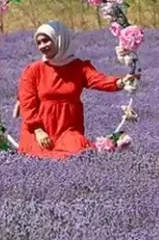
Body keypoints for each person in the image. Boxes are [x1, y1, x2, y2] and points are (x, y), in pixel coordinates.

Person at [16, 20, 137, 160]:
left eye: (46, 41)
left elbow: (99, 80)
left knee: (80, 152)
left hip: (68, 128)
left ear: (59, 39)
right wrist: (38, 130)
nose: (43, 46)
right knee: (39, 157)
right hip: (39, 130)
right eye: (39, 42)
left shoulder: (78, 67)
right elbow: (27, 103)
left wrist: (121, 82)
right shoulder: (33, 71)